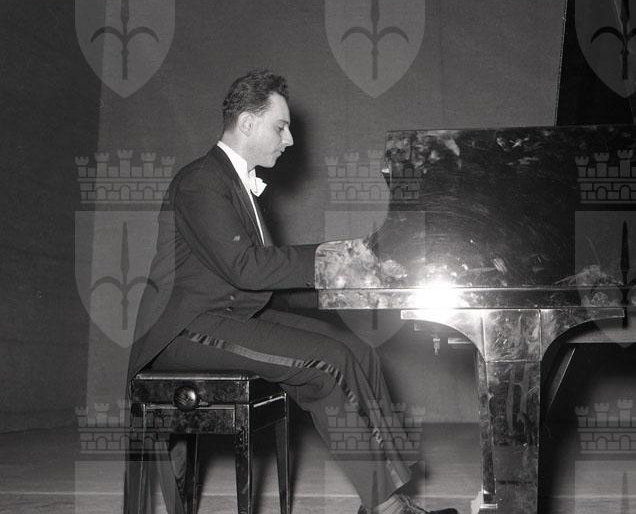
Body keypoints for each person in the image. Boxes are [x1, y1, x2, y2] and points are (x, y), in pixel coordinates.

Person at [128, 69, 457, 514]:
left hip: (226, 315)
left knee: (355, 350)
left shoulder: (236, 184)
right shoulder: (201, 180)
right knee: (326, 363)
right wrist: (336, 258)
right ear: (247, 123)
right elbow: (246, 268)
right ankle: (386, 507)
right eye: (280, 127)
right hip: (182, 331)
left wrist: (351, 288)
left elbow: (263, 284)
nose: (290, 140)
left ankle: (390, 492)